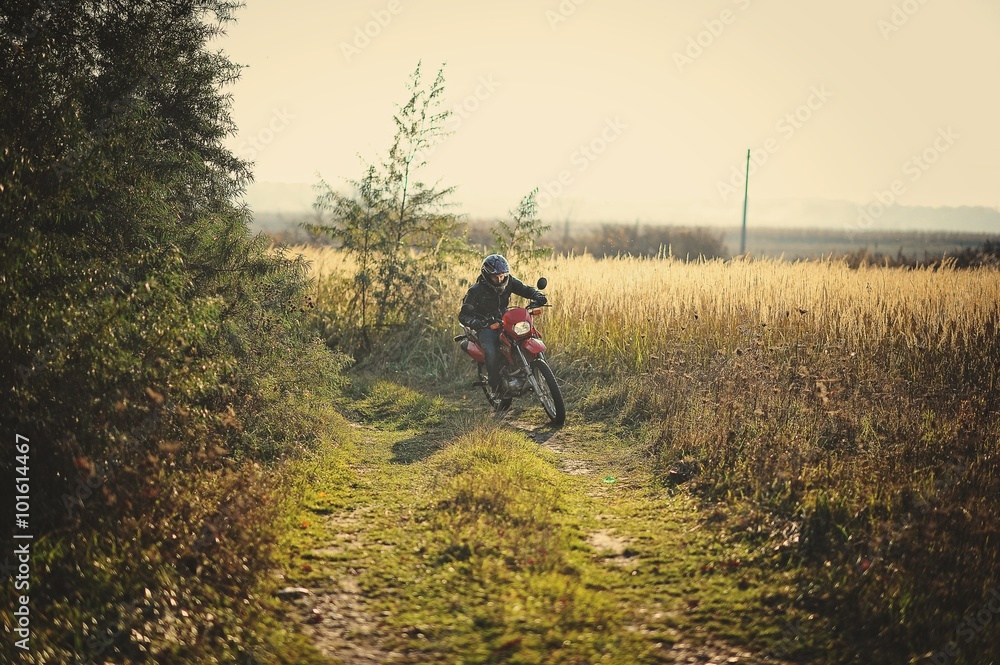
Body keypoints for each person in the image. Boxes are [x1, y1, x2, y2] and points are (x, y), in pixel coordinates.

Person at [459, 254, 546, 400]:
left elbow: (525, 289)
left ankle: (530, 370)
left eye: (502, 276)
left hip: (504, 319)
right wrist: (478, 323)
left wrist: (538, 295)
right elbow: (463, 316)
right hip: (486, 325)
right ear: (487, 275)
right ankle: (496, 387)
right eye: (495, 277)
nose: (499, 279)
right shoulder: (476, 290)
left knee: (526, 334)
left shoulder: (509, 281)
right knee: (491, 350)